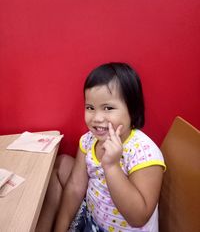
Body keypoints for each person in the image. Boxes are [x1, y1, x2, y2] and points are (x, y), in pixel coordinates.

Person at [52, 62, 165, 232]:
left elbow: (138, 217)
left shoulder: (145, 153)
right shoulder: (89, 140)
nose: (97, 118)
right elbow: (75, 187)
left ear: (132, 110)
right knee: (60, 164)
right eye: (90, 107)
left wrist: (112, 166)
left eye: (108, 108)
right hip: (92, 218)